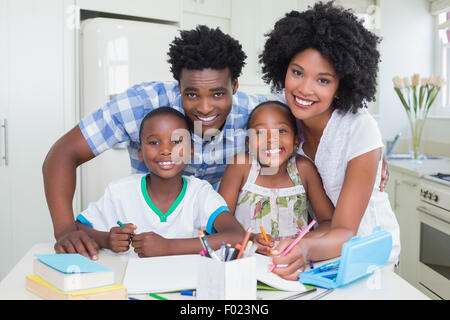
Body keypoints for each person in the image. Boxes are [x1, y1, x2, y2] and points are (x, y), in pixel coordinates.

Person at [43, 25, 270, 260]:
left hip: (214, 244)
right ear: (179, 87)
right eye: (191, 94)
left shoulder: (258, 115)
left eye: (218, 94)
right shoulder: (141, 104)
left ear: (234, 87)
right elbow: (63, 154)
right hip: (145, 248)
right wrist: (65, 230)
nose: (205, 108)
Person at [258, 2, 400, 279]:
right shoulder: (279, 116)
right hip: (315, 254)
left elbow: (346, 230)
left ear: (341, 86)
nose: (304, 89)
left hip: (366, 255)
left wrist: (306, 249)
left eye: (323, 80)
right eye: (297, 72)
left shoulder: (359, 129)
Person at [75, 107, 245, 257]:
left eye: (177, 141)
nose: (165, 150)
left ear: (190, 151)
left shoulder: (200, 193)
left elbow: (237, 236)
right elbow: (77, 228)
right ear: (140, 153)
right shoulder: (119, 192)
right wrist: (106, 240)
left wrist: (169, 246)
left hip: (185, 285)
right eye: (154, 142)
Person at [218, 101, 334, 255]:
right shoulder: (241, 166)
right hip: (248, 261)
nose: (271, 139)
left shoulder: (303, 169)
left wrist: (301, 243)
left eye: (281, 131)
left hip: (294, 261)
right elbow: (219, 221)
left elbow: (329, 223)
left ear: (296, 141)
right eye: (260, 132)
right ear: (249, 143)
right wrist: (249, 238)